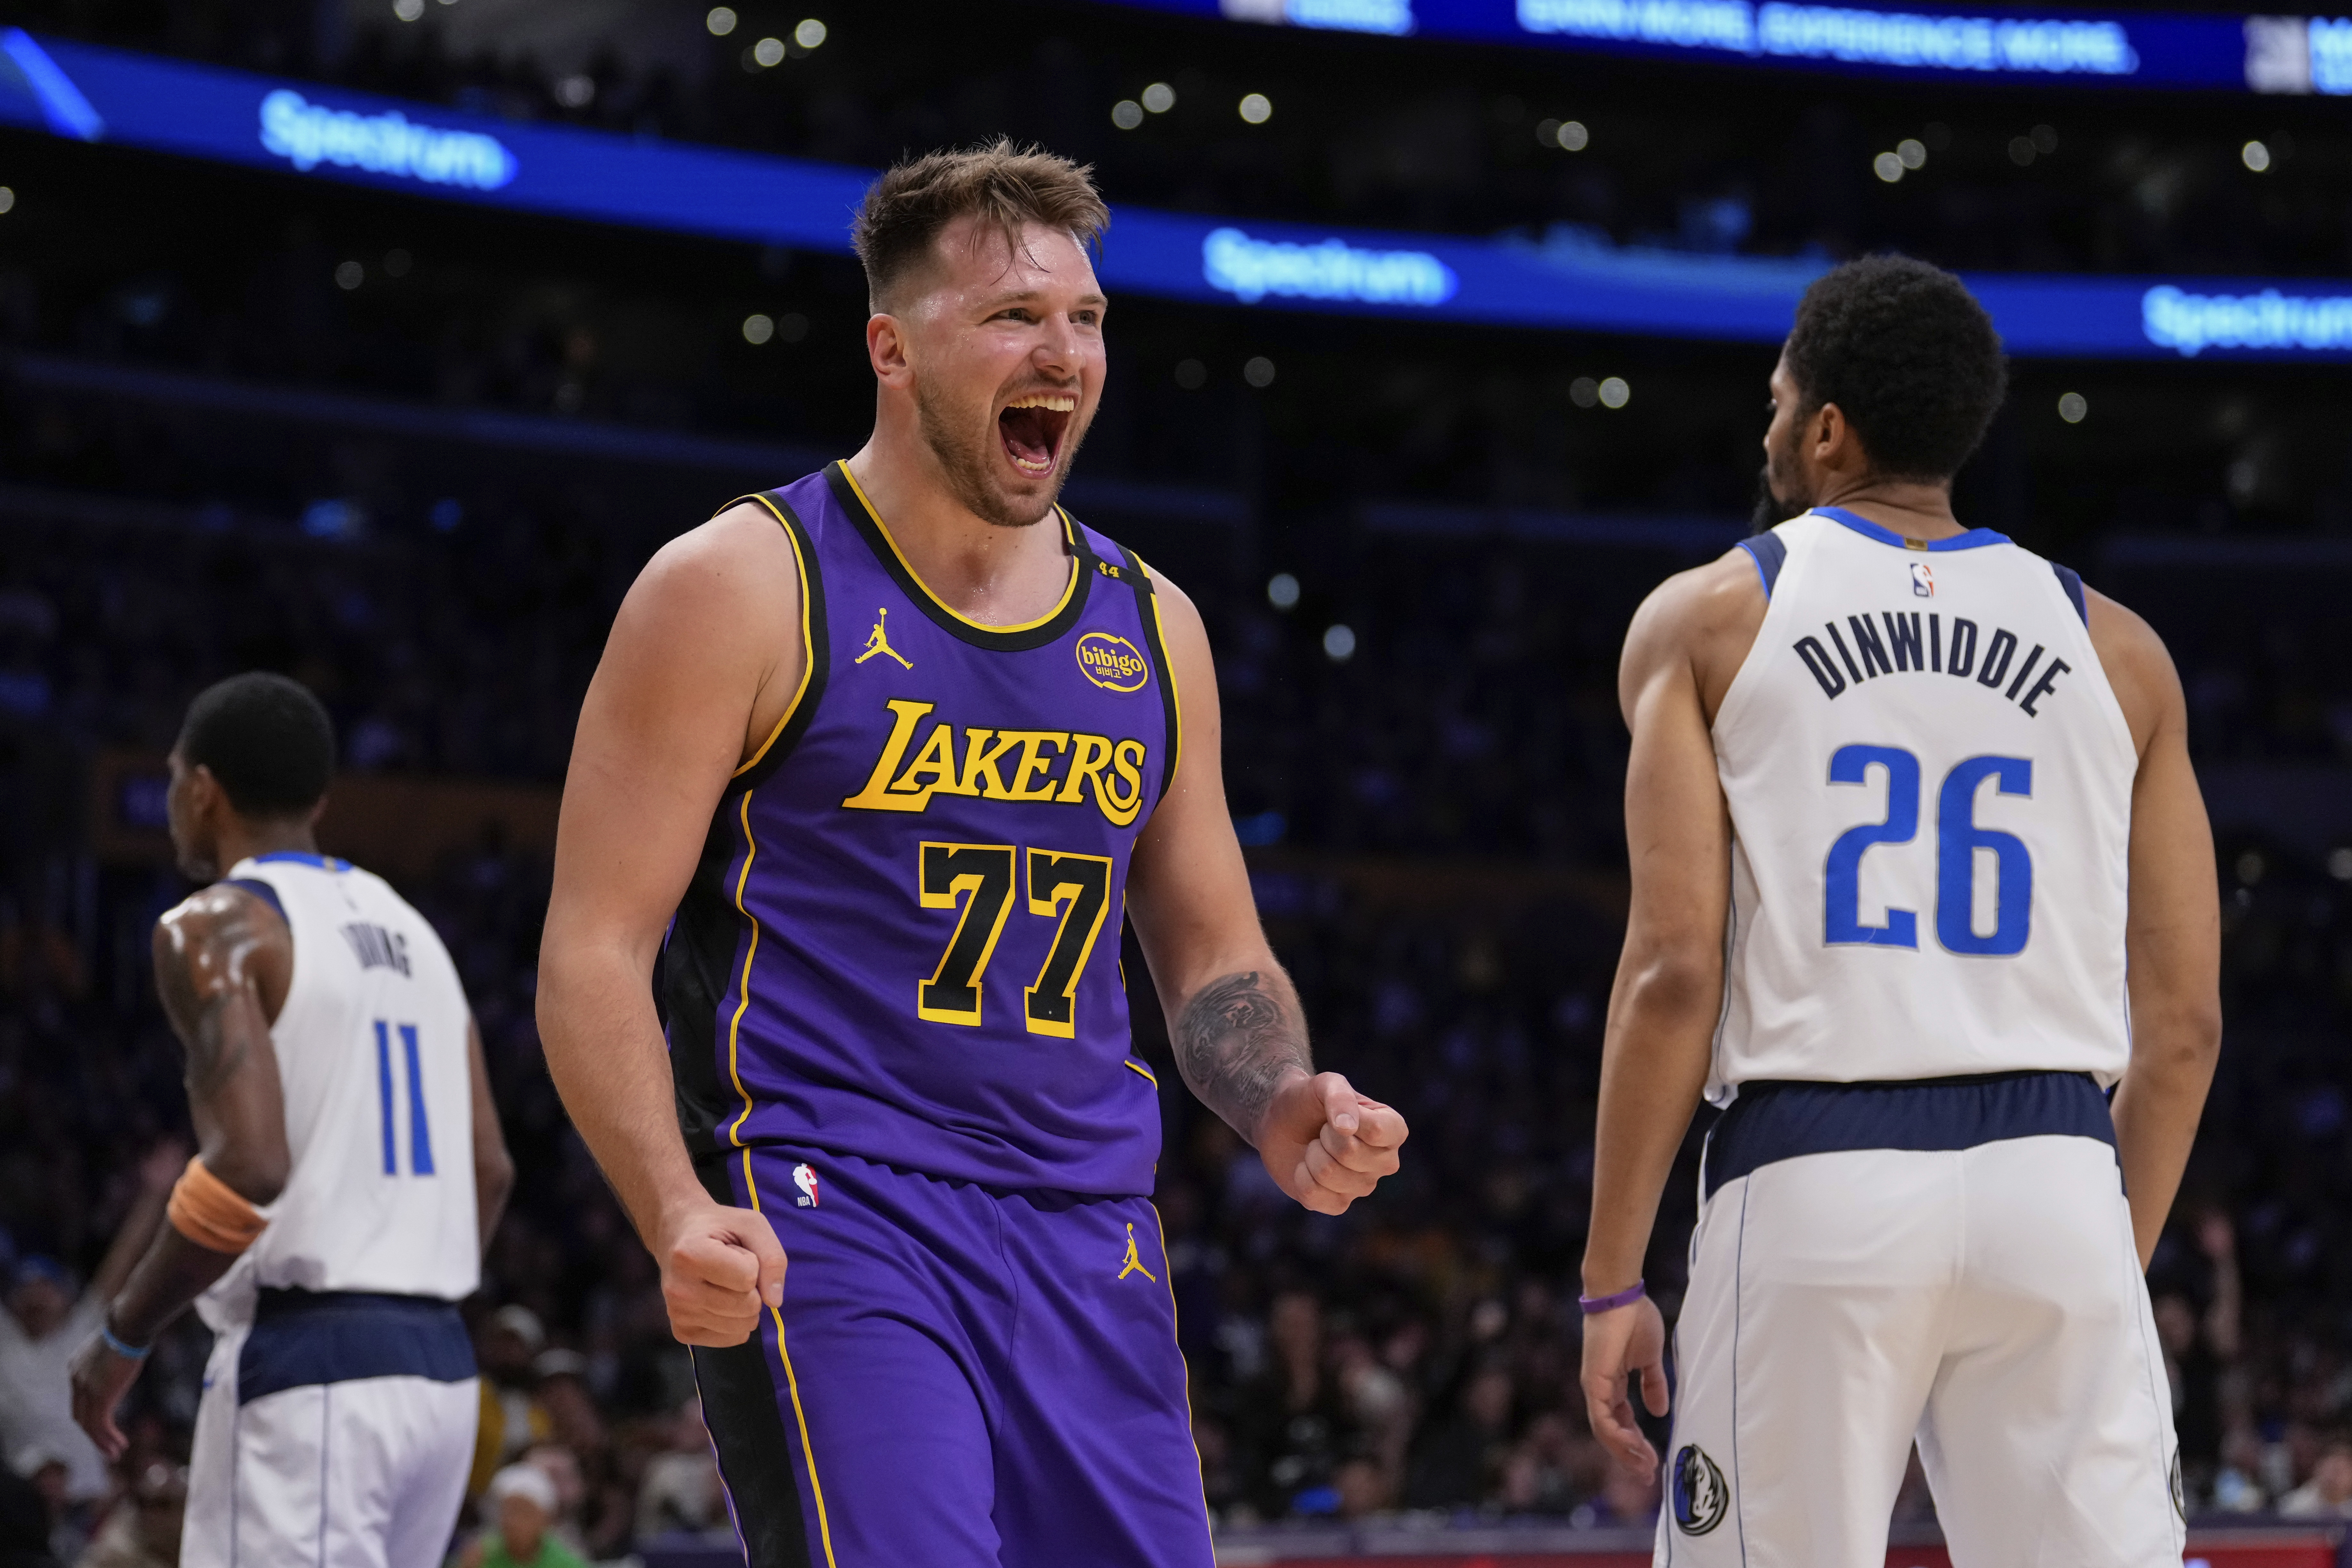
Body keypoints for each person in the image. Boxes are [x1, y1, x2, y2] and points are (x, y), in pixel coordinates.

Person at [538, 141, 1409, 1568]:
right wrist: (676, 1206)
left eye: (1086, 317)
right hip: (835, 1204)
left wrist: (1279, 1097)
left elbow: (1210, 944)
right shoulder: (740, 586)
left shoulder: (1154, 622)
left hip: (1091, 1225)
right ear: (893, 346)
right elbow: (593, 946)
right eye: (1014, 315)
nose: (1061, 349)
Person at [1577, 256, 2221, 1566]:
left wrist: (1610, 1277)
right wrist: (2100, 1251)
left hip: (1815, 1170)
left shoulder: (1708, 622)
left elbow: (1673, 973)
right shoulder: (2123, 651)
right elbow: (2187, 1027)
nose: (1766, 431)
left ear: (1825, 429)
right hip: (2056, 1164)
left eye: (1775, 402)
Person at [65, 673, 516, 1568]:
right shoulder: (415, 928)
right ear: (318, 798)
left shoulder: (215, 926)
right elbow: (491, 1166)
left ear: (202, 790)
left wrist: (124, 1335)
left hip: (313, 1372)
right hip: (440, 1370)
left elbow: (249, 1166)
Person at [0, 1143, 177, 1515]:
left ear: (65, 1296)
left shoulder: (83, 1331)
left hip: (91, 1504)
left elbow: (124, 1260)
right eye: (27, 1288)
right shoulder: (6, 1342)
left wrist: (155, 1193)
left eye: (47, 1287)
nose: (37, 1296)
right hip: (20, 1510)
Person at [459, 1465, 587, 1568]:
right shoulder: (480, 1555)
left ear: (545, 1519)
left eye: (523, 1512)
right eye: (507, 1511)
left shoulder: (567, 1563)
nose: (512, 1521)